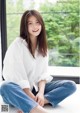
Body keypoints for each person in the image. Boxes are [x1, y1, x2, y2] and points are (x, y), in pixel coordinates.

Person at [0, 10, 76, 113]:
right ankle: (37, 109)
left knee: (70, 85)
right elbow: (18, 78)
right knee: (5, 86)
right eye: (30, 23)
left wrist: (40, 94)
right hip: (18, 93)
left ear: (41, 24)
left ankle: (32, 104)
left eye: (37, 22)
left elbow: (43, 75)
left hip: (34, 89)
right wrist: (31, 96)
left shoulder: (42, 46)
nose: (34, 27)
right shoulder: (18, 44)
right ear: (25, 26)